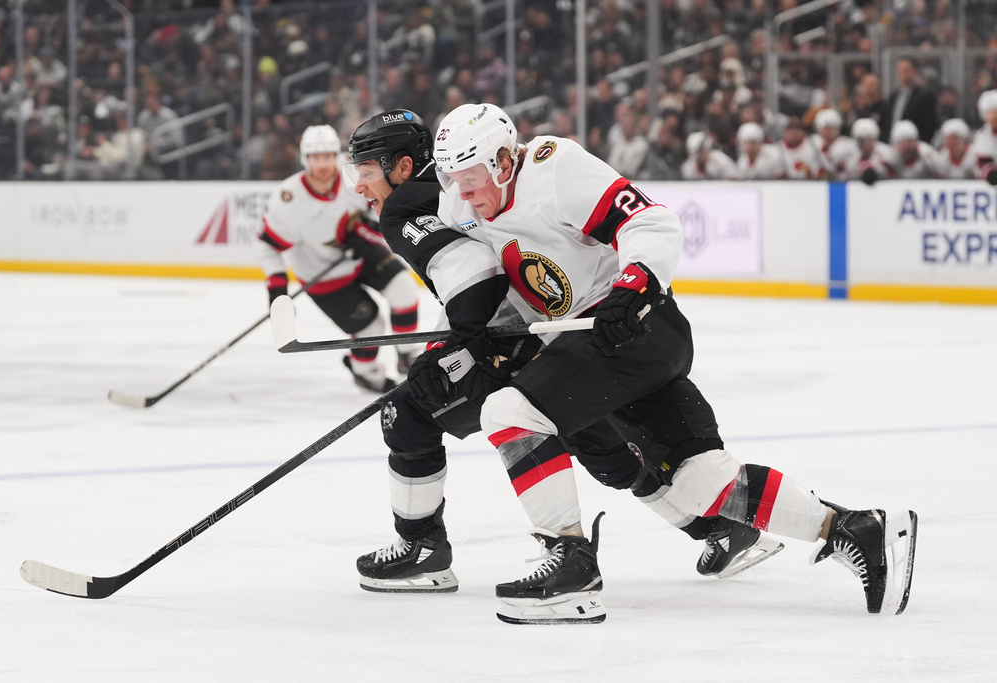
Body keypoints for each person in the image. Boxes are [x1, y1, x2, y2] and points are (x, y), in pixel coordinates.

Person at [430, 102, 918, 623]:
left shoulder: (554, 167)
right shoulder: (463, 205)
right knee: (701, 482)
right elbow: (491, 289)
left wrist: (633, 283)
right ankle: (857, 529)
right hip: (595, 344)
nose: (464, 190)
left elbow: (650, 221)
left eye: (473, 176)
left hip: (635, 327)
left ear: (505, 161)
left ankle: (572, 566)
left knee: (510, 413)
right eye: (452, 177)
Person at [343, 110, 780, 596]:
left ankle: (424, 549)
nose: (359, 187)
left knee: (406, 414)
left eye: (364, 173)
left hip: (509, 339)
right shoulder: (464, 180)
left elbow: (471, 275)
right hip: (554, 331)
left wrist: (449, 348)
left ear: (402, 167)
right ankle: (716, 526)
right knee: (600, 442)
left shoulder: (407, 202)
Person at [256, 124, 422, 392]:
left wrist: (366, 230)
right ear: (305, 159)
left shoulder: (356, 176)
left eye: (328, 156)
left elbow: (379, 210)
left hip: (360, 253)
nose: (323, 163)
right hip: (324, 275)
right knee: (372, 327)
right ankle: (365, 371)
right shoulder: (289, 201)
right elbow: (267, 246)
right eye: (315, 157)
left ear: (338, 155)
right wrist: (278, 292)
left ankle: (408, 355)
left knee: (404, 290)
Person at [881, 58, 937, 144]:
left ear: (914, 71)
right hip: (893, 145)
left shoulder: (924, 96)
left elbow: (929, 126)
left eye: (906, 70)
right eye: (900, 70)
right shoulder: (893, 96)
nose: (903, 73)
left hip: (913, 147)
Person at [811, 108, 859, 181]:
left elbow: (852, 170)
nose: (827, 131)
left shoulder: (849, 145)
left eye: (830, 128)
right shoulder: (813, 143)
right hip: (818, 186)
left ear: (838, 129)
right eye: (824, 128)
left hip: (845, 184)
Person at [850, 117, 897, 185]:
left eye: (870, 139)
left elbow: (894, 175)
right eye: (862, 140)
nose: (867, 143)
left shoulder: (886, 155)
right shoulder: (851, 157)